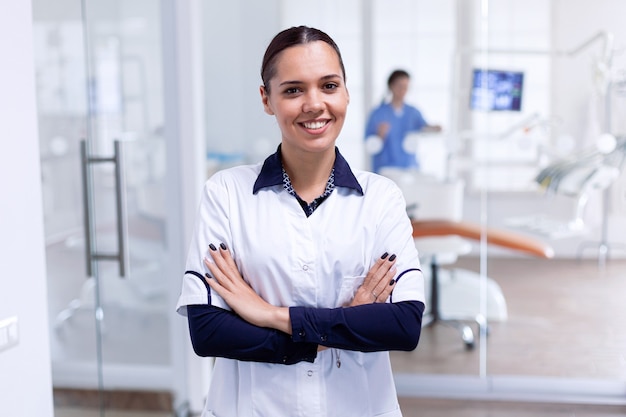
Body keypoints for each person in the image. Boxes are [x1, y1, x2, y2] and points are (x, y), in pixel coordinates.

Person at [176, 26, 425, 417]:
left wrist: (267, 314)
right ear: (267, 99)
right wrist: (343, 323)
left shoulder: (381, 199)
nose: (314, 104)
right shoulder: (226, 193)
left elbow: (403, 326)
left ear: (346, 92)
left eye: (329, 86)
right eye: (293, 90)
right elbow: (209, 332)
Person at [365, 69, 442, 173]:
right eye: (400, 86)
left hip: (409, 168)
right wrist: (380, 136)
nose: (403, 90)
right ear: (391, 86)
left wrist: (435, 128)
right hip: (385, 169)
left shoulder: (413, 112)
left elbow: (424, 128)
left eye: (406, 87)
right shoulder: (378, 113)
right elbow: (370, 145)